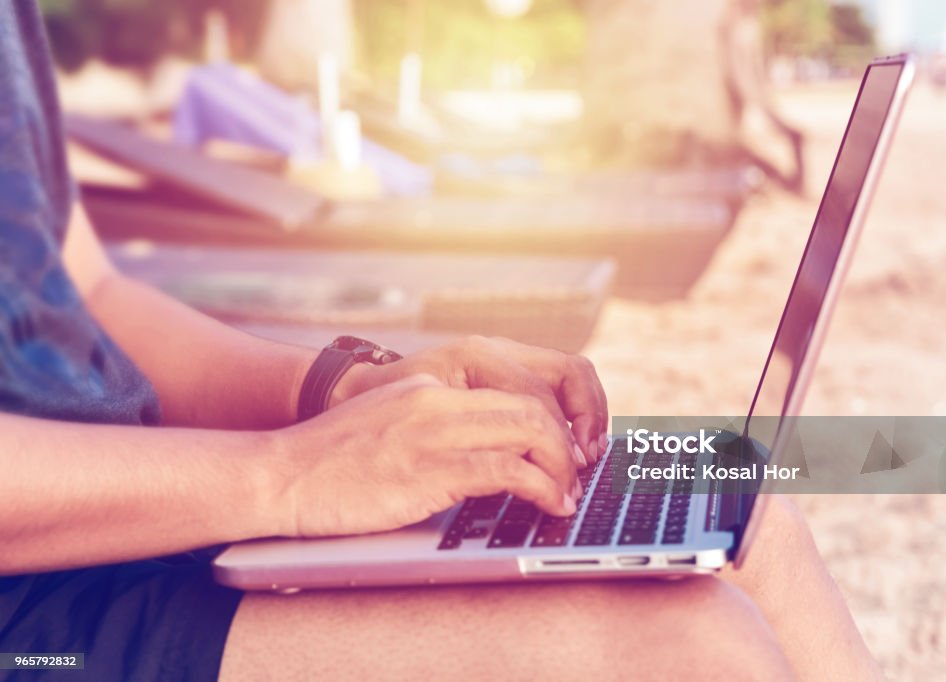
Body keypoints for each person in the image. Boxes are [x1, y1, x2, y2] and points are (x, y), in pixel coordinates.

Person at [0, 2, 883, 680]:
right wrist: (292, 475)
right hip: (31, 615)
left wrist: (346, 390)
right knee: (687, 646)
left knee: (751, 527)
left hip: (136, 510)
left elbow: (89, 295)